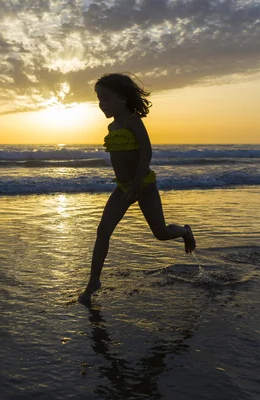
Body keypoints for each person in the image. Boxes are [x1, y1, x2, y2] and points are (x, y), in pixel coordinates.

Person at [78, 73, 196, 304]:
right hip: (122, 188)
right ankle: (94, 282)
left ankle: (184, 231)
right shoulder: (112, 126)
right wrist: (126, 186)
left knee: (160, 233)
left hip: (143, 185)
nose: (101, 103)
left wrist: (136, 183)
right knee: (103, 232)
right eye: (99, 99)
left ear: (122, 98)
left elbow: (146, 153)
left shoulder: (133, 121)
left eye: (106, 98)